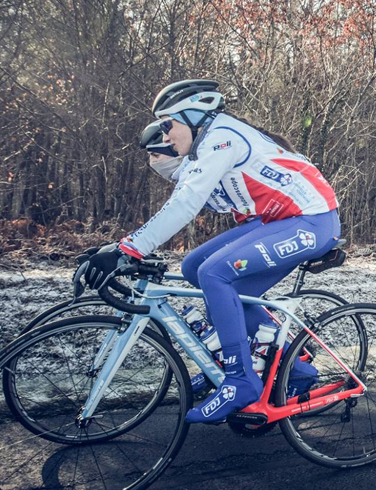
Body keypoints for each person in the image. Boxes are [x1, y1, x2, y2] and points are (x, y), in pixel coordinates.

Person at [80, 79, 341, 423]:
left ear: (193, 116)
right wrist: (122, 245)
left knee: (214, 274)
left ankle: (240, 380)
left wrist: (130, 248)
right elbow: (192, 187)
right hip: (274, 220)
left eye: (168, 124)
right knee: (193, 267)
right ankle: (287, 366)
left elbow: (186, 203)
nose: (165, 134)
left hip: (311, 220)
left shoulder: (223, 137)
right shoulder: (209, 144)